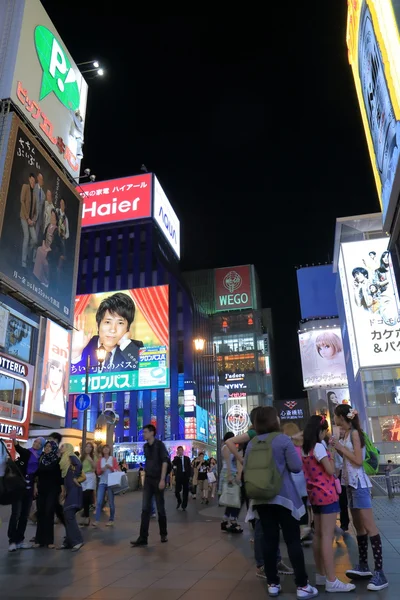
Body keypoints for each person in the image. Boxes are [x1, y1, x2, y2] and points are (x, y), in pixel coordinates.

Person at [246, 407, 318, 599]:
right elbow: (295, 467)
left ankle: (272, 584)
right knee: (292, 540)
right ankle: (302, 586)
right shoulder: (282, 440)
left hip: (261, 498)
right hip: (284, 498)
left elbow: (246, 468)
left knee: (269, 541)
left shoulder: (252, 443)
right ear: (272, 421)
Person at [333, 405, 388, 591]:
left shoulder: (355, 433)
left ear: (342, 417)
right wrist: (338, 447)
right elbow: (347, 458)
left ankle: (380, 572)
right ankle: (364, 566)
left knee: (369, 526)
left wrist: (340, 447)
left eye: (335, 416)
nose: (334, 419)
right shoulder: (347, 434)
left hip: (360, 484)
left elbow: (357, 460)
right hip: (350, 484)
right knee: (358, 526)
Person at [302, 415, 355, 593]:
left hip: (314, 495)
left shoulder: (306, 448)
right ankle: (332, 580)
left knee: (318, 535)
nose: (326, 435)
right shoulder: (318, 447)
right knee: (327, 536)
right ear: (321, 431)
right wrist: (331, 453)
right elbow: (331, 470)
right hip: (326, 494)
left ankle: (320, 575)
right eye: (325, 431)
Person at [72, 292, 143, 373]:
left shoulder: (133, 349)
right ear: (97, 325)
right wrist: (75, 353)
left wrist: (124, 343)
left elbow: (147, 374)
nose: (113, 329)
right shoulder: (83, 346)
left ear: (128, 328)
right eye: (107, 322)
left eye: (120, 323)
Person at [131, 424, 169, 546]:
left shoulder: (160, 445)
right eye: (143, 432)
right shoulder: (145, 446)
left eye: (146, 432)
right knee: (145, 509)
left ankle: (163, 534)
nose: (144, 434)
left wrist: (163, 479)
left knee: (160, 508)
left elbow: (165, 462)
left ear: (152, 432)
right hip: (148, 480)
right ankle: (143, 537)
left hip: (158, 479)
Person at [8, 434, 45, 552]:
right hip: (19, 488)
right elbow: (18, 447)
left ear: (42, 446)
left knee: (24, 515)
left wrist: (35, 486)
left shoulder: (41, 457)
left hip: (29, 489)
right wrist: (14, 439)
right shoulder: (27, 452)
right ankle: (12, 541)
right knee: (16, 514)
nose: (36, 444)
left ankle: (20, 540)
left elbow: (37, 475)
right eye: (36, 442)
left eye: (39, 443)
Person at [33, 441, 62, 549]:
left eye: (50, 447)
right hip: (41, 489)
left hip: (52, 489)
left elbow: (59, 477)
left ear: (54, 448)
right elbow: (36, 474)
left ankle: (49, 540)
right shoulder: (41, 458)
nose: (47, 448)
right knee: (40, 512)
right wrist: (35, 486)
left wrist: (62, 490)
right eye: (46, 446)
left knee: (49, 512)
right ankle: (39, 540)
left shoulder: (56, 460)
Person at [59, 443, 85, 551]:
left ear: (69, 448)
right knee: (67, 515)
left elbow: (79, 464)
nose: (61, 448)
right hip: (70, 490)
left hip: (74, 489)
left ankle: (77, 541)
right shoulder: (65, 461)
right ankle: (69, 542)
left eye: (63, 446)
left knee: (69, 514)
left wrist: (75, 477)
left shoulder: (71, 456)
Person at [220, 432, 243, 533]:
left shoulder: (229, 447)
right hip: (229, 473)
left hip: (231, 473)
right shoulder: (226, 447)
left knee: (231, 498)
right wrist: (230, 475)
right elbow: (228, 462)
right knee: (235, 497)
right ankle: (233, 520)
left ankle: (225, 520)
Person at [33, 208, 62, 288]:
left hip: (51, 250)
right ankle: (37, 275)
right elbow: (44, 236)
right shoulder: (49, 226)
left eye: (53, 216)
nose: (52, 217)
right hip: (45, 246)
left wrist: (48, 248)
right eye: (51, 215)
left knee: (45, 258)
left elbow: (55, 243)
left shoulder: (57, 230)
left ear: (56, 218)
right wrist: (43, 245)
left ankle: (45, 280)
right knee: (39, 250)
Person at [93, 445, 119, 527]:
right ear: (102, 450)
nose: (106, 449)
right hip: (102, 482)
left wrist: (110, 467)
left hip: (111, 482)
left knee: (111, 502)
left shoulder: (113, 459)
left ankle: (111, 520)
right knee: (99, 501)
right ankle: (96, 520)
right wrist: (102, 469)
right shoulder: (100, 460)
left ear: (109, 450)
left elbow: (116, 470)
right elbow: (98, 472)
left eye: (107, 448)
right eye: (104, 448)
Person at [20, 173, 38, 268]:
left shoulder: (34, 195)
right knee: (26, 237)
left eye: (34, 181)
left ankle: (27, 253)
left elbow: (35, 211)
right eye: (31, 180)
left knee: (34, 239)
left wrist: (33, 220)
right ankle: (23, 263)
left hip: (31, 220)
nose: (32, 182)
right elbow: (22, 201)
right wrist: (27, 218)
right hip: (24, 217)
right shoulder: (25, 187)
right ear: (29, 179)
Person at [81, 442, 96, 526]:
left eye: (90, 447)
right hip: (83, 477)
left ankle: (87, 517)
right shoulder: (81, 457)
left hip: (90, 476)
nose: (88, 448)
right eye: (87, 446)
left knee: (87, 495)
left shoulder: (93, 457)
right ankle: (86, 516)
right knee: (84, 497)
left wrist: (91, 460)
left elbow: (95, 468)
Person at [172, 446, 191, 510]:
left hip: (185, 476)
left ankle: (184, 505)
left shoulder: (187, 458)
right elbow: (173, 464)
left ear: (183, 451)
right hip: (179, 476)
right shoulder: (176, 458)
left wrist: (189, 476)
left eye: (181, 450)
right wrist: (177, 456)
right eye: (179, 450)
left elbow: (189, 468)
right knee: (177, 491)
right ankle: (179, 501)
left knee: (185, 491)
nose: (180, 451)